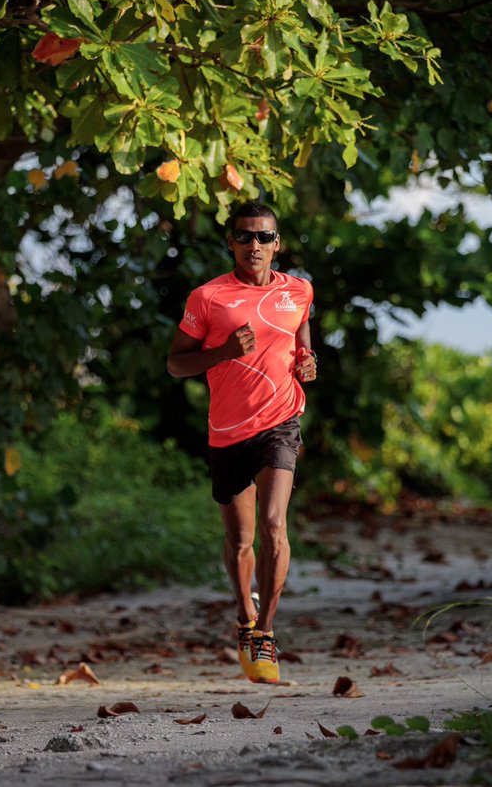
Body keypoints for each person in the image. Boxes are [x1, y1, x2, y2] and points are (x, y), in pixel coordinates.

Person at [166, 202, 317, 684]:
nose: (255, 246)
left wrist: (306, 358)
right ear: (230, 242)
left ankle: (266, 635)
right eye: (245, 237)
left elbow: (300, 329)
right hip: (229, 431)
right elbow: (176, 364)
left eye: (264, 237)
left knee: (275, 525)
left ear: (278, 242)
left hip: (281, 421)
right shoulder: (208, 298)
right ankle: (244, 618)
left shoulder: (299, 290)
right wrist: (226, 352)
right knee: (240, 541)